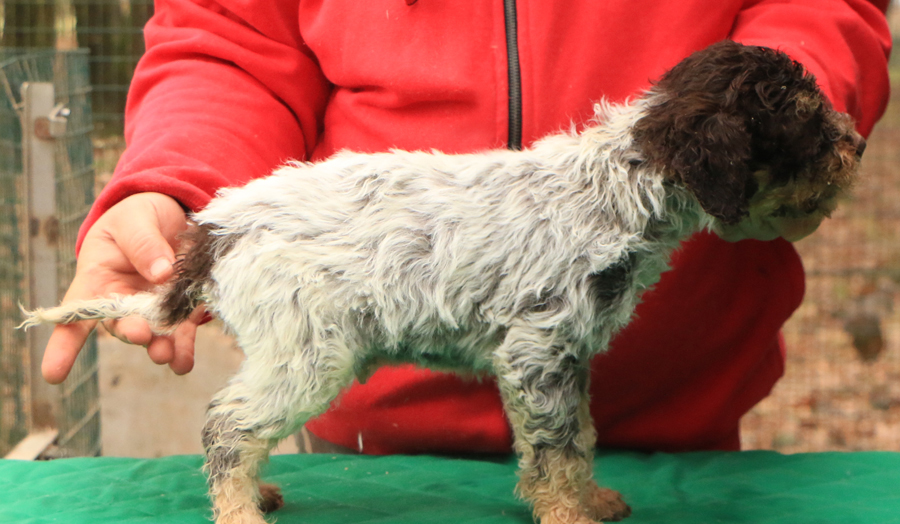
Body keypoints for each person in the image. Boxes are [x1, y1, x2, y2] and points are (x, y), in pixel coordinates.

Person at [43, 0, 892, 455]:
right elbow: (228, 40)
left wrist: (789, 120)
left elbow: (818, 6)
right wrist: (175, 181)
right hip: (369, 450)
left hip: (681, 445)